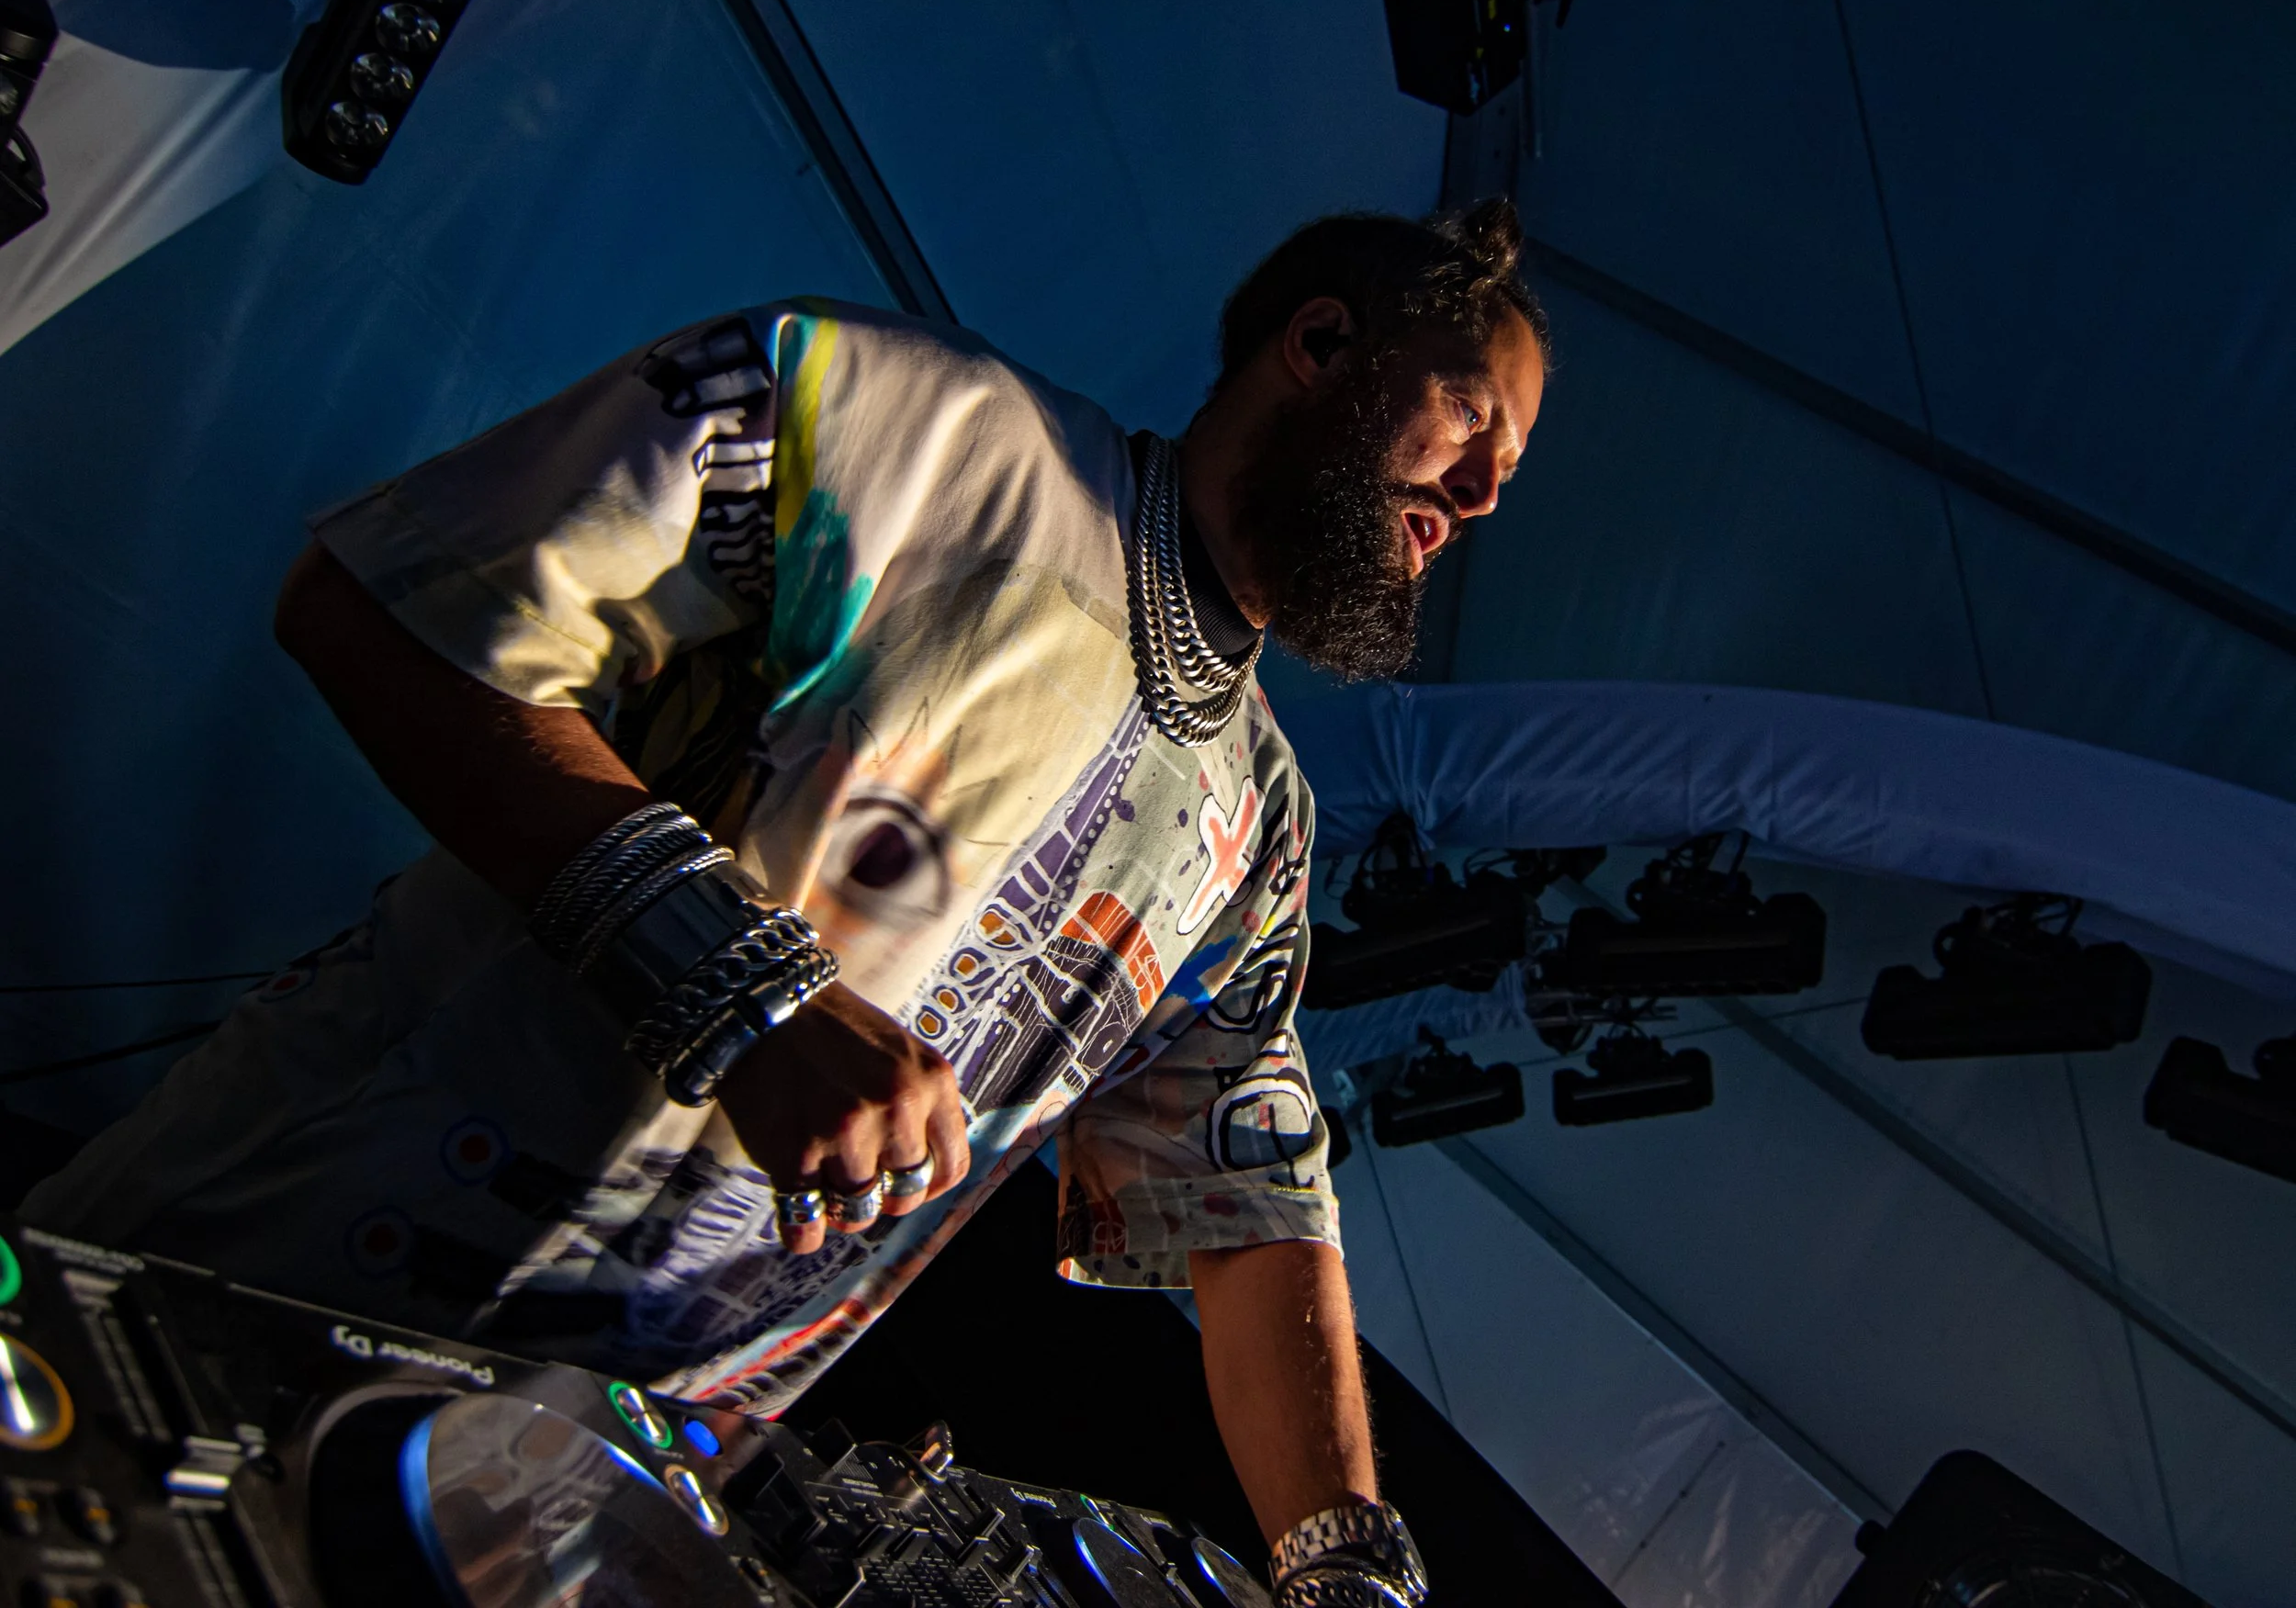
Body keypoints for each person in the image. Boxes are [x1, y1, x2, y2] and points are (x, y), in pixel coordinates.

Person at [27, 199, 1546, 1608]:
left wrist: (1343, 1563)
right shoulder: (911, 428)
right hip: (252, 1282)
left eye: (1511, 473)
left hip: (576, 1515)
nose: (1482, 496)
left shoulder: (1259, 830)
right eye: (1473, 416)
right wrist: (750, 995)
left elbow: (1251, 1205)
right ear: (1321, 343)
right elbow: (382, 611)